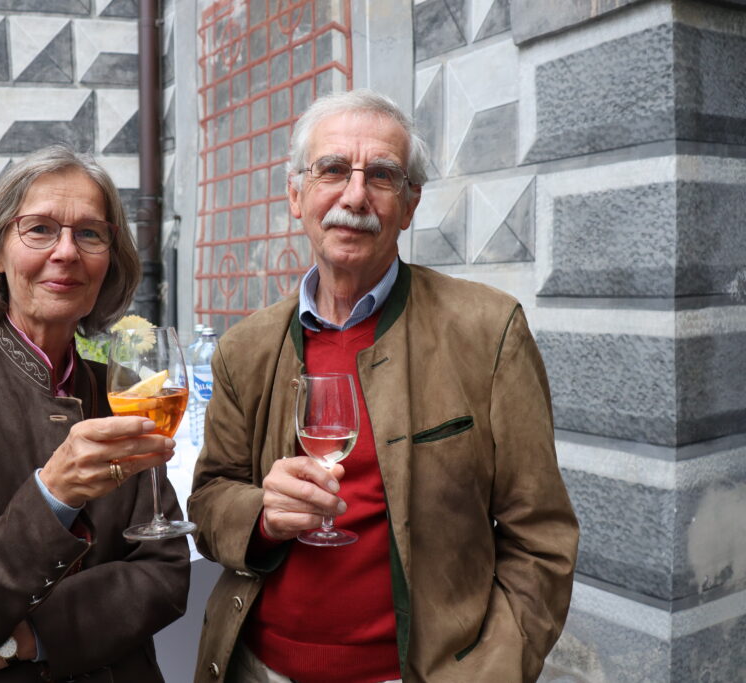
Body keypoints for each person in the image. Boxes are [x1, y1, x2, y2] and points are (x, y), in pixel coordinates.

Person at [187, 89, 579, 682]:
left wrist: (492, 673)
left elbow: (540, 538)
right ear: (296, 194)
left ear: (410, 202)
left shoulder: (488, 330)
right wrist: (264, 516)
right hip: (259, 668)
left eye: (382, 175)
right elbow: (210, 498)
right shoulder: (246, 348)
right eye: (333, 170)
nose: (354, 195)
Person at [0, 145, 190, 682]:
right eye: (40, 229)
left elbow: (166, 578)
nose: (67, 252)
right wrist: (54, 493)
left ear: (109, 261)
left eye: (90, 234)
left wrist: (23, 640)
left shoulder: (122, 394)